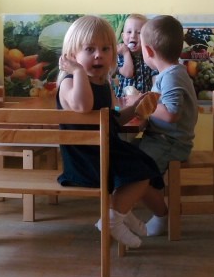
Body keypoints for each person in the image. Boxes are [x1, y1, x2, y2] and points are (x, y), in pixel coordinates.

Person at [56, 15, 168, 248]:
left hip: (105, 150)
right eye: (89, 49)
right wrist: (78, 72)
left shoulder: (103, 82)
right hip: (85, 158)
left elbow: (112, 120)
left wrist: (135, 108)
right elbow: (83, 106)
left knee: (144, 164)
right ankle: (113, 220)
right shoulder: (69, 82)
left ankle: (121, 213)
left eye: (105, 49)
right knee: (138, 173)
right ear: (72, 55)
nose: (98, 55)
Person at [136, 15, 199, 236]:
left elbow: (171, 114)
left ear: (148, 51)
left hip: (170, 144)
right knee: (127, 158)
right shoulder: (171, 73)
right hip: (162, 140)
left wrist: (143, 103)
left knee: (134, 172)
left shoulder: (172, 75)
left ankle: (162, 215)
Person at [114, 13, 158, 99]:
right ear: (123, 37)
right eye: (129, 32)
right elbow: (128, 73)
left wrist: (154, 96)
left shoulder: (149, 57)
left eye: (139, 32)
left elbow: (155, 79)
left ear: (146, 37)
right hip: (124, 101)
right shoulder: (120, 56)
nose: (133, 36)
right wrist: (126, 53)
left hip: (143, 101)